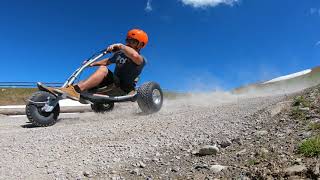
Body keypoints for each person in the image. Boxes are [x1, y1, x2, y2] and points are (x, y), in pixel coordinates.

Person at [53, 29, 148, 101]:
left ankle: (75, 91)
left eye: (133, 41)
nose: (129, 43)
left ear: (141, 45)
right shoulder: (120, 54)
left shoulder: (141, 59)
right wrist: (90, 64)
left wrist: (120, 46)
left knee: (103, 69)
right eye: (128, 40)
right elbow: (107, 61)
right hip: (112, 84)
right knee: (83, 82)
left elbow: (134, 55)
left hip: (124, 88)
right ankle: (62, 92)